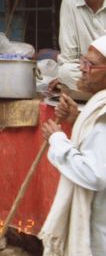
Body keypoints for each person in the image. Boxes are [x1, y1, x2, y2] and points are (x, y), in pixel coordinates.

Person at [39, 36, 106, 254]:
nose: (82, 68)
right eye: (83, 61)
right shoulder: (98, 104)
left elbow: (95, 174)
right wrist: (75, 120)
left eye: (91, 65)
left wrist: (57, 140)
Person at [56, 0, 106, 91]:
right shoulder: (70, 0)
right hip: (84, 68)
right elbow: (68, 50)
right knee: (65, 71)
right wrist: (64, 76)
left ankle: (91, 90)